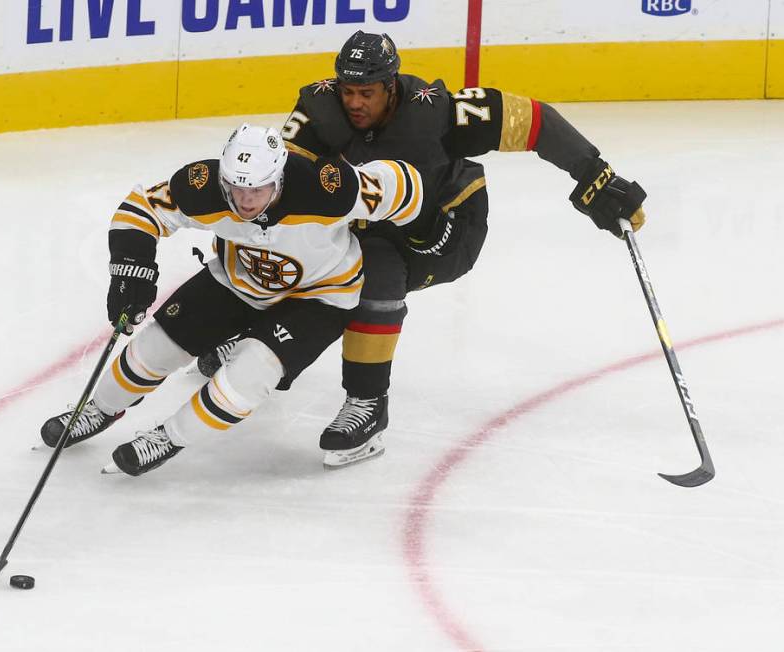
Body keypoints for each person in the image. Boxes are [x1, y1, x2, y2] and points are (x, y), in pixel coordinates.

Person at [198, 31, 647, 467]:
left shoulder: (437, 113)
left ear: (391, 86)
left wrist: (594, 176)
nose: (354, 103)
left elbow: (535, 120)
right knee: (283, 231)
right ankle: (263, 340)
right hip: (371, 217)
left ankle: (367, 404)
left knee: (374, 268)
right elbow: (281, 188)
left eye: (367, 92)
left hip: (446, 228)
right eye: (348, 91)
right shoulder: (319, 111)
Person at [39, 123, 425, 475]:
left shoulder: (327, 190)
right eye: (236, 188)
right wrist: (131, 267)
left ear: (279, 178)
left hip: (318, 297)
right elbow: (140, 208)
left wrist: (424, 232)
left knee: (247, 376)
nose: (244, 200)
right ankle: (99, 408)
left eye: (257, 188)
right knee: (151, 351)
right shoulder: (203, 185)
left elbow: (405, 184)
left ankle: (168, 437)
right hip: (235, 284)